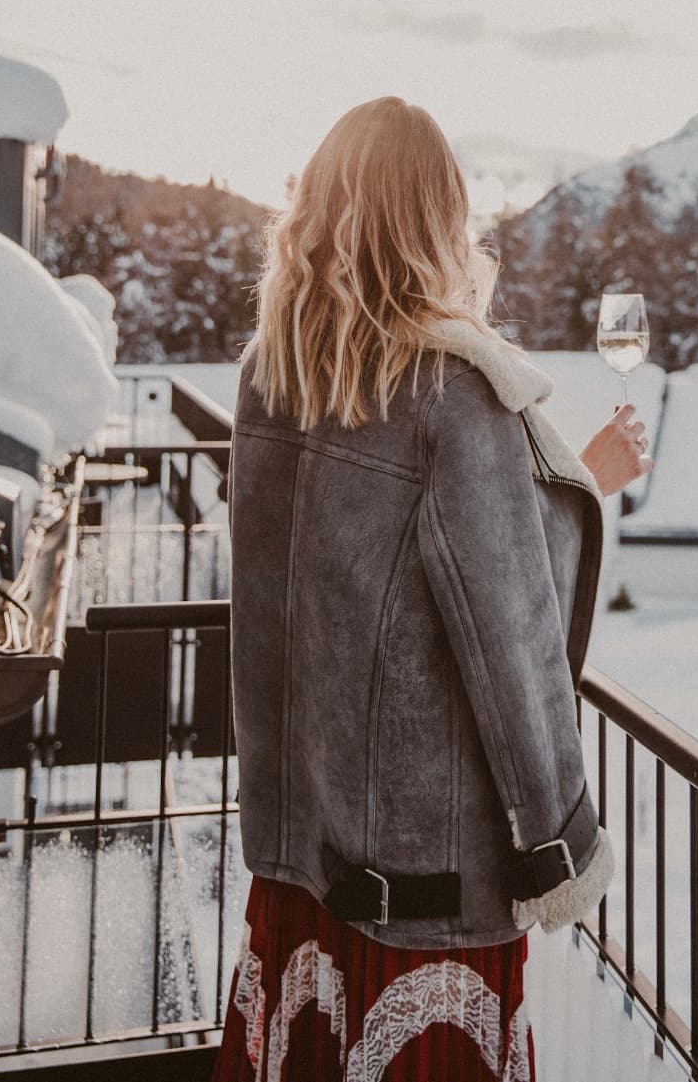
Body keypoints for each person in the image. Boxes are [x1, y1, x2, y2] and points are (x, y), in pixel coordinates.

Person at [212, 96, 654, 1081]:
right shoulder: (454, 390)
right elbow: (514, 643)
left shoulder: (269, 374)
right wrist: (560, 849)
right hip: (425, 881)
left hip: (305, 854)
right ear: (438, 223)